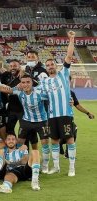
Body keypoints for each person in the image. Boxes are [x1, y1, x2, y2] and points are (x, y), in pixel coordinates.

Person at [41, 30, 77, 176]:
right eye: (47, 65)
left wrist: (72, 39)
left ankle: (72, 168)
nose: (50, 66)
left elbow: (69, 55)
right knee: (54, 140)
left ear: (55, 65)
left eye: (52, 64)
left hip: (65, 113)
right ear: (46, 67)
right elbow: (41, 97)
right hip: (52, 115)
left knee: (69, 139)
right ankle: (56, 167)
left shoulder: (63, 73)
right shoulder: (44, 82)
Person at [59, 89, 95, 156]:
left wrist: (88, 113)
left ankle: (64, 148)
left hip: (68, 117)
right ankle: (61, 145)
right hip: (59, 117)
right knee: (70, 132)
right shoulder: (57, 91)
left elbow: (77, 105)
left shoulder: (71, 92)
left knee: (72, 131)